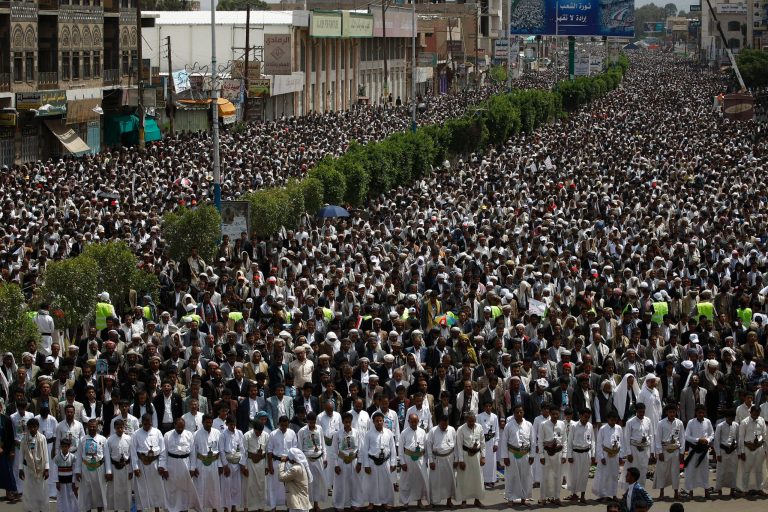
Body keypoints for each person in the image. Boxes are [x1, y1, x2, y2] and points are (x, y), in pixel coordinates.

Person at [159, 416, 202, 512]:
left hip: (185, 463)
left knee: (184, 488)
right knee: (172, 487)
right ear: (174, 425)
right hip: (171, 463)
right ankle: (172, 509)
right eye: (178, 427)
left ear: (184, 426)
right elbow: (163, 453)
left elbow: (193, 453)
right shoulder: (167, 435)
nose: (179, 429)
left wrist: (192, 468)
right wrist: (164, 468)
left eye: (181, 427)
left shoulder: (189, 435)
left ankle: (184, 508)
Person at [130, 413, 166, 512]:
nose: (147, 426)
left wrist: (161, 465)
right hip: (142, 463)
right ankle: (140, 509)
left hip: (155, 463)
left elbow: (162, 450)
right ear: (142, 423)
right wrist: (135, 467)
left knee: (156, 487)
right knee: (141, 488)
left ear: (152, 422)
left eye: (149, 424)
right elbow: (133, 452)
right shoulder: (136, 434)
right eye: (145, 424)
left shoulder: (157, 432)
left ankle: (157, 509)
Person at [360, 410, 396, 509]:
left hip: (385, 461)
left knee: (385, 483)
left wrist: (393, 462)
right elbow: (365, 450)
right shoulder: (369, 434)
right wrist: (366, 465)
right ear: (373, 422)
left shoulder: (389, 433)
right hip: (372, 461)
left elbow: (393, 448)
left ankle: (384, 502)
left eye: (381, 420)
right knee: (372, 483)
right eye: (377, 421)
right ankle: (371, 503)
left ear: (383, 421)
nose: (379, 422)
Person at [499, 403, 534, 505]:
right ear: (513, 413)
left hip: (525, 454)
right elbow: (504, 442)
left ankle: (524, 498)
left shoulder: (529, 425)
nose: (519, 414)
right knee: (512, 477)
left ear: (523, 412)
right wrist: (505, 457)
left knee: (525, 476)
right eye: (517, 412)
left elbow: (532, 441)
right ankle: (510, 498)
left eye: (521, 412)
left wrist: (532, 455)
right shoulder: (508, 425)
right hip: (512, 454)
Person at [331, 411, 364, 511]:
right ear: (343, 422)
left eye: (349, 422)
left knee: (355, 483)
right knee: (341, 484)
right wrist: (336, 465)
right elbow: (334, 450)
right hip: (342, 461)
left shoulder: (357, 432)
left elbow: (361, 449)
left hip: (354, 461)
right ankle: (340, 504)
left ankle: (355, 502)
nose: (347, 424)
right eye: (346, 422)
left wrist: (359, 462)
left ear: (351, 421)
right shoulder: (337, 434)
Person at [191, 413, 224, 511]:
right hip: (201, 463)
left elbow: (220, 449)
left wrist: (220, 464)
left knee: (214, 486)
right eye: (206, 422)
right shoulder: (196, 434)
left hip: (214, 462)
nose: (209, 424)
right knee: (201, 487)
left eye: (210, 422)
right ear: (202, 422)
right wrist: (193, 467)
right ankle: (200, 508)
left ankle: (215, 508)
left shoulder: (217, 433)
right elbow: (193, 452)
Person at [297, 411, 327, 512]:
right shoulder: (302, 431)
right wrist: (301, 463)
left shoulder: (319, 429)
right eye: (310, 422)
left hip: (318, 459)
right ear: (307, 421)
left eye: (313, 422)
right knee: (307, 483)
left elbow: (323, 444)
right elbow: (300, 448)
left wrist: (325, 458)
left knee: (317, 483)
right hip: (307, 460)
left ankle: (316, 504)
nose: (312, 424)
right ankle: (307, 505)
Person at [267, 415, 298, 510]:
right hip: (276, 462)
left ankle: (289, 506)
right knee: (274, 486)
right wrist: (270, 466)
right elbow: (269, 451)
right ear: (278, 424)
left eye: (285, 425)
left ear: (288, 424)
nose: (284, 427)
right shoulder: (273, 434)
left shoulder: (292, 433)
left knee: (289, 486)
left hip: (289, 462)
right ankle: (273, 507)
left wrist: (294, 463)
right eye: (282, 425)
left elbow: (295, 449)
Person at [77, 417, 108, 512]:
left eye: (94, 427)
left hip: (99, 467)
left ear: (97, 427)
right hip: (86, 467)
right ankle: (88, 509)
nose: (92, 428)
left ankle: (100, 510)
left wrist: (108, 471)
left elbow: (106, 456)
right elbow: (79, 456)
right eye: (90, 427)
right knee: (87, 491)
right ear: (87, 427)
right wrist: (78, 471)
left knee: (99, 490)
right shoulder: (82, 439)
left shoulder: (102, 439)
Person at [18, 417, 49, 512]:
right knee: (29, 491)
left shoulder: (42, 438)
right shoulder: (24, 439)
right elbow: (21, 454)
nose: (32, 429)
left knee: (41, 490)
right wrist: (20, 468)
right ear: (28, 428)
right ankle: (30, 509)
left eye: (34, 427)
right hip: (28, 468)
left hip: (41, 467)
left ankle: (40, 509)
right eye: (30, 427)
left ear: (38, 427)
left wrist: (47, 468)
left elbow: (45, 453)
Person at [538, 407, 567, 505]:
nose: (555, 416)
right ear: (549, 413)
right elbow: (540, 440)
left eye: (557, 414)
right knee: (545, 477)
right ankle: (543, 498)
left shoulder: (562, 424)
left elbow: (564, 440)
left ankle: (557, 497)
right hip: (547, 453)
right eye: (553, 414)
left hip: (558, 453)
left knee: (558, 477)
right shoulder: (543, 424)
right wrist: (541, 455)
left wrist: (564, 454)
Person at [682, 404, 713, 498]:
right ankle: (690, 492)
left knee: (704, 470)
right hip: (694, 449)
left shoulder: (708, 422)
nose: (701, 414)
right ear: (696, 413)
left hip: (704, 450)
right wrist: (697, 440)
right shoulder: (691, 422)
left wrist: (707, 440)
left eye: (703, 412)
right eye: (699, 412)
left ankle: (706, 491)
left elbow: (712, 434)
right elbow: (686, 436)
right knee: (691, 470)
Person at [399, 413, 429, 508]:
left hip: (420, 459)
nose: (414, 423)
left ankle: (419, 502)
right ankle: (405, 502)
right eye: (411, 421)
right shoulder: (404, 433)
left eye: (415, 421)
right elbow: (400, 449)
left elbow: (426, 448)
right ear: (408, 422)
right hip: (408, 459)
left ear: (418, 421)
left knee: (419, 481)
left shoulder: (423, 432)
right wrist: (402, 462)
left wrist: (426, 461)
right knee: (407, 481)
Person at [653, 403, 683, 500]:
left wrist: (682, 452)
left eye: (674, 412)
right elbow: (657, 439)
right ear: (666, 412)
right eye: (670, 412)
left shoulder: (679, 423)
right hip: (664, 450)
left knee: (675, 472)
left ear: (676, 412)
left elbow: (682, 438)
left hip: (675, 450)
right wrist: (659, 452)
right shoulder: (661, 423)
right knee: (662, 472)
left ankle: (676, 492)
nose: (672, 414)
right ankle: (661, 492)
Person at [426, 412, 456, 507]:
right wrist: (431, 461)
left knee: (449, 481)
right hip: (436, 459)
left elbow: (456, 445)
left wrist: (456, 459)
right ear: (439, 422)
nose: (444, 427)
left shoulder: (452, 430)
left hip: (449, 458)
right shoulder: (433, 431)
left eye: (445, 425)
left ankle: (449, 500)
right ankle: (433, 501)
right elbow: (429, 446)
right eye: (442, 425)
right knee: (435, 482)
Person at [622, 402, 654, 488]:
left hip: (645, 449)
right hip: (634, 449)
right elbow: (626, 438)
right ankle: (630, 491)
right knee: (633, 471)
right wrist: (628, 453)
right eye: (640, 412)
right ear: (636, 411)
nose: (641, 414)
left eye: (643, 412)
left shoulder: (648, 420)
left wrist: (652, 451)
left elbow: (651, 436)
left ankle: (641, 490)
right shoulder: (630, 422)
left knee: (643, 470)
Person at [566, 408, 594, 503]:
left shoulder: (590, 426)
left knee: (584, 475)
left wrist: (593, 455)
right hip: (576, 453)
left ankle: (582, 495)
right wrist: (569, 455)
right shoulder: (573, 426)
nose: (587, 419)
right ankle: (574, 494)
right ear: (580, 416)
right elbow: (569, 441)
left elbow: (592, 441)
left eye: (588, 417)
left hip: (586, 453)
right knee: (574, 475)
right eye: (585, 417)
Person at [105, 418, 133, 512]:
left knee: (126, 490)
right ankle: (116, 509)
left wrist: (131, 470)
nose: (120, 430)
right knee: (115, 491)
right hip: (114, 467)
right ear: (114, 428)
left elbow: (131, 455)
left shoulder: (129, 439)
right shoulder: (109, 440)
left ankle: (126, 509)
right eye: (118, 428)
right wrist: (108, 471)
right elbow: (107, 457)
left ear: (124, 427)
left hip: (126, 467)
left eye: (121, 427)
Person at [594, 411, 623, 501]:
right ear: (607, 419)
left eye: (615, 420)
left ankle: (614, 494)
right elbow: (599, 444)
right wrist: (601, 457)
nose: (613, 421)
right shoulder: (603, 428)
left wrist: (621, 455)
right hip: (605, 454)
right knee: (604, 475)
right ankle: (604, 495)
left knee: (614, 475)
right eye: (611, 420)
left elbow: (621, 442)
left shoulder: (619, 428)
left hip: (616, 454)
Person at [738, 403, 766, 495]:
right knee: (746, 470)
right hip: (748, 448)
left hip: (759, 447)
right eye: (754, 413)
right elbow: (741, 438)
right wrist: (742, 451)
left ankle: (760, 488)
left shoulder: (761, 421)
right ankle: (745, 490)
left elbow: (764, 435)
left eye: (758, 413)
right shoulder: (744, 422)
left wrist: (763, 446)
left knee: (759, 469)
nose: (756, 415)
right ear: (750, 412)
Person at [220, 414, 247, 511]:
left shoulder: (239, 433)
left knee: (236, 486)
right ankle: (226, 507)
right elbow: (222, 451)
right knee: (227, 486)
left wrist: (243, 464)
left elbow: (243, 449)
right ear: (227, 424)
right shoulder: (223, 434)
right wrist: (225, 465)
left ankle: (234, 506)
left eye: (234, 424)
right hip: (228, 462)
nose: (232, 426)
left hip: (237, 462)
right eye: (231, 424)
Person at [243, 419, 269, 512]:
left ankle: (261, 507)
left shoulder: (266, 435)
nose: (259, 434)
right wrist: (244, 467)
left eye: (260, 432)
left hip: (261, 463)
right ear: (254, 429)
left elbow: (267, 452)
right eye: (257, 432)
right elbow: (244, 452)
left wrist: (267, 466)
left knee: (261, 486)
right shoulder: (247, 435)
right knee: (249, 485)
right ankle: (247, 507)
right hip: (250, 463)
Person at [713, 408, 739, 497]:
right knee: (721, 471)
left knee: (733, 471)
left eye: (732, 418)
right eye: (728, 418)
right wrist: (718, 454)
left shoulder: (736, 425)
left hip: (733, 450)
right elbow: (716, 440)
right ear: (725, 417)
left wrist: (739, 452)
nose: (730, 420)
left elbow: (738, 439)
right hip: (723, 450)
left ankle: (732, 490)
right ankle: (719, 490)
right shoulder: (720, 426)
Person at [278, 447, 312, 512]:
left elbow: (281, 477)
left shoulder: (295, 469)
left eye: (289, 456)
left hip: (298, 504)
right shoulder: (300, 466)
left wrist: (282, 463)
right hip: (301, 503)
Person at [476, 399, 499, 489]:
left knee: (492, 462)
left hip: (492, 441)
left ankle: (492, 480)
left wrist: (496, 443)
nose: (488, 408)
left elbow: (496, 430)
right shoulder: (480, 416)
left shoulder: (495, 417)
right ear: (484, 407)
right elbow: (477, 430)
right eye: (486, 406)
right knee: (484, 461)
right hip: (483, 441)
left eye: (490, 406)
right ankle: (484, 480)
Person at [53, 437, 78, 512]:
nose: (64, 448)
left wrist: (74, 482)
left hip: (70, 480)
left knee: (71, 496)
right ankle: (62, 510)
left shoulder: (73, 457)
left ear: (69, 447)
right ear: (60, 447)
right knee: (61, 496)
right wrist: (57, 482)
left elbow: (74, 470)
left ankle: (71, 510)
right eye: (63, 446)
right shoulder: (57, 458)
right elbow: (55, 470)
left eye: (66, 447)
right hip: (61, 481)